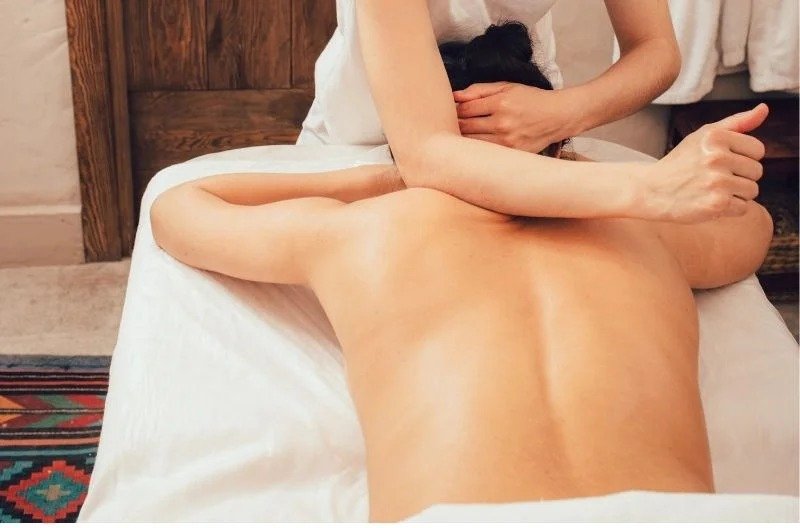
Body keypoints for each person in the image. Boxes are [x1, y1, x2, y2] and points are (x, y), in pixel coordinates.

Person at [148, 24, 772, 521]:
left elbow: (179, 206)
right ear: (560, 146)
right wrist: (583, 172)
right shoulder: (649, 225)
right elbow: (752, 228)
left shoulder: (364, 232)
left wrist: (392, 177)